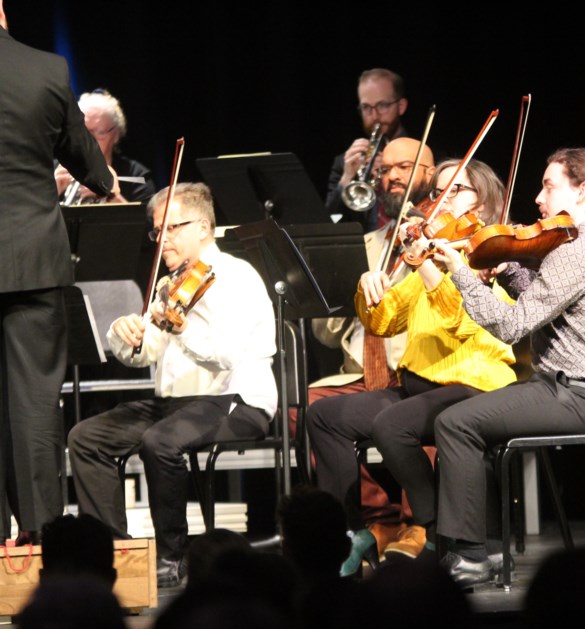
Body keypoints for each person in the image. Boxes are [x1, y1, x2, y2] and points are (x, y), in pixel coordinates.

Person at [431, 148, 585, 586]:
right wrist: (507, 269)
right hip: (563, 388)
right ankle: (470, 550)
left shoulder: (580, 248)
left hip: (577, 397)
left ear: (582, 191)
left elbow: (512, 324)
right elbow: (544, 303)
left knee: (456, 424)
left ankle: (470, 556)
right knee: (459, 420)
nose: (539, 198)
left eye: (548, 185)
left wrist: (458, 271)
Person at [306, 158, 516, 573]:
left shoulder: (495, 254)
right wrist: (369, 293)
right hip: (419, 385)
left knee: (392, 425)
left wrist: (432, 269)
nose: (443, 199)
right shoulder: (431, 255)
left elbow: (462, 320)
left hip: (473, 381)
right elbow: (385, 322)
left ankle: (434, 529)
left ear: (486, 199)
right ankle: (353, 532)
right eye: (439, 192)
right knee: (324, 416)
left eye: (456, 190)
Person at [67, 182, 277, 588]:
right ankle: (115, 552)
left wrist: (181, 328)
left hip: (236, 399)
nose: (162, 240)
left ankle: (172, 556)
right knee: (86, 437)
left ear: (203, 227)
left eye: (172, 228)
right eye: (157, 231)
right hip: (176, 404)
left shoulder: (236, 277)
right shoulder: (170, 284)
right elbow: (141, 354)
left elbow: (230, 356)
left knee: (160, 442)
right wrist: (122, 333)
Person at [0, 4, 119, 544]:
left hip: (28, 262)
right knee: (33, 404)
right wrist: (95, 174)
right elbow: (89, 166)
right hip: (33, 261)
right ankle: (40, 536)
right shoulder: (47, 69)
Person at [307, 137, 434, 558]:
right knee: (301, 409)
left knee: (429, 403)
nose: (392, 176)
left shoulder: (441, 244)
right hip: (359, 375)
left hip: (413, 373)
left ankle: (421, 527)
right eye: (384, 170)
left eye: (404, 167)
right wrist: (342, 297)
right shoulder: (365, 246)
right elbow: (326, 334)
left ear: (429, 175)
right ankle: (375, 522)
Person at [326, 68, 409, 231]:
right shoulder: (345, 162)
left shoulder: (423, 155)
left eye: (382, 105)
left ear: (401, 106)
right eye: (366, 107)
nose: (375, 115)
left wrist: (388, 175)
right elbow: (329, 219)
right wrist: (347, 178)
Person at [54, 89, 156, 203]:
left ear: (116, 134)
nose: (88, 140)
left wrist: (111, 196)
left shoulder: (137, 177)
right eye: (83, 132)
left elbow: (147, 220)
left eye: (99, 132)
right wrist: (50, 192)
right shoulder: (50, 169)